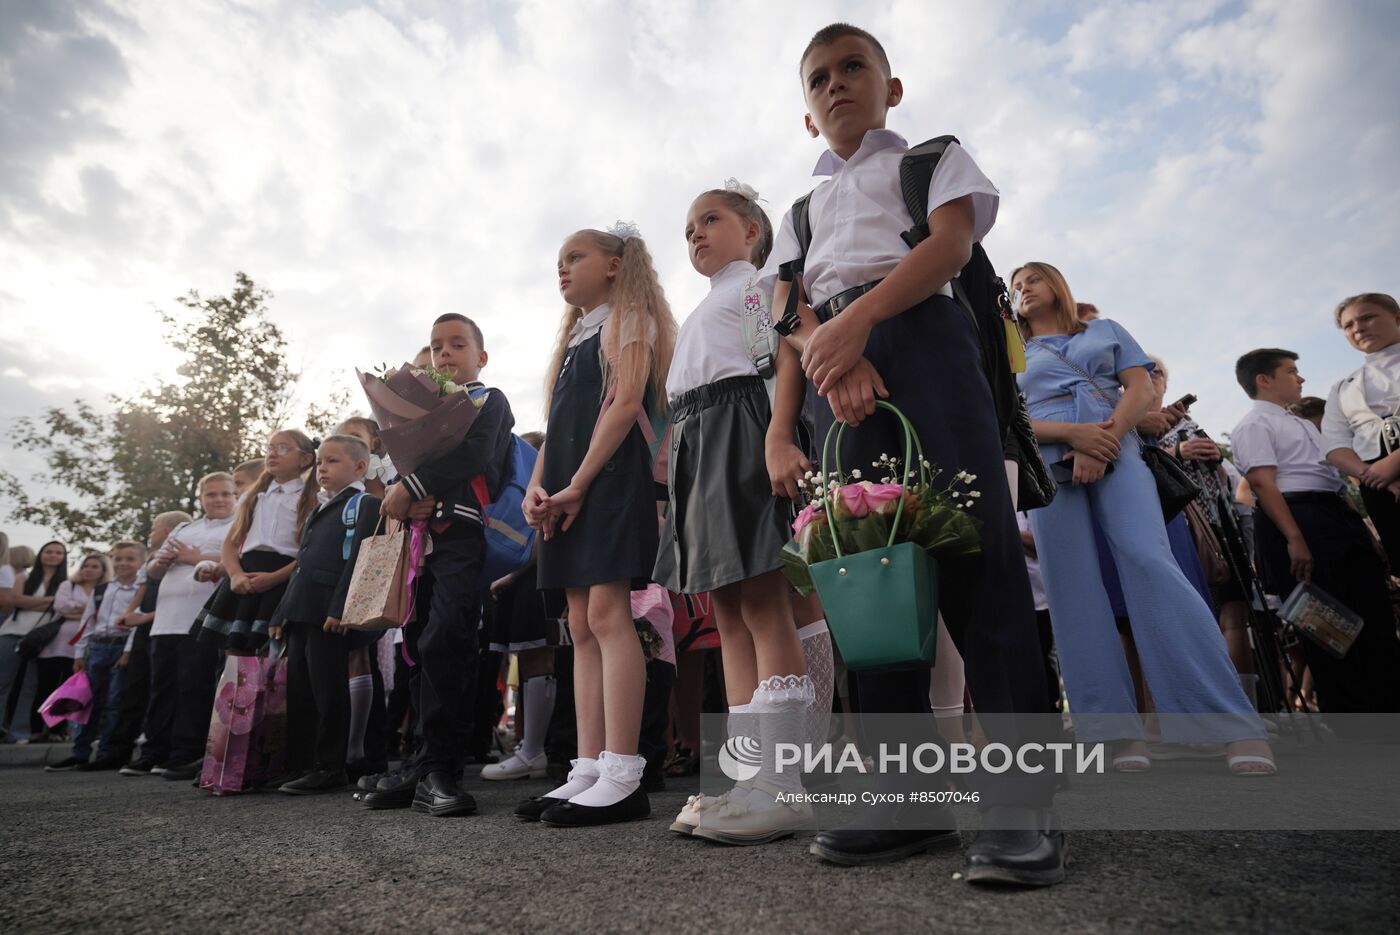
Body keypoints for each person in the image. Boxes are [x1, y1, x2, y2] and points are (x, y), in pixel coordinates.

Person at [763, 23, 1063, 883]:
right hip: (834, 371)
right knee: (869, 581)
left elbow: (949, 246)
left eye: (854, 67)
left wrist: (860, 325)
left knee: (979, 568)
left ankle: (1021, 806)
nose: (836, 85)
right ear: (806, 111)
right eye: (818, 78)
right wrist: (820, 373)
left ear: (891, 87)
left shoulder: (930, 159)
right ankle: (905, 802)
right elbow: (786, 308)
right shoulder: (799, 212)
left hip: (926, 344)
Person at [1012, 261, 1270, 775]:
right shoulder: (1009, 349)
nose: (1023, 289)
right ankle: (1114, 735)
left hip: (1119, 451)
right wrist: (1071, 437)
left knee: (1151, 564)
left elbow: (1141, 389)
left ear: (1058, 286)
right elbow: (1005, 414)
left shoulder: (1105, 331)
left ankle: (1229, 723)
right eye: (1016, 285)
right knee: (1071, 590)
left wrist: (1101, 441)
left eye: (1032, 279)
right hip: (1047, 463)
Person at [651, 181, 817, 845]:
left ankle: (785, 782)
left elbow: (781, 358)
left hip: (741, 430)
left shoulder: (758, 284)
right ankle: (753, 779)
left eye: (711, 219)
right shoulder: (704, 306)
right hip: (697, 443)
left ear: (751, 231)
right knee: (726, 612)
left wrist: (779, 437)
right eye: (689, 224)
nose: (695, 232)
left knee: (762, 599)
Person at [517, 224, 676, 828]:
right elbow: (556, 430)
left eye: (575, 256)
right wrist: (539, 486)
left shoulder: (627, 317)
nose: (562, 267)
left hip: (607, 480)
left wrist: (579, 483)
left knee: (611, 616)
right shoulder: (574, 337)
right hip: (567, 483)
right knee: (579, 623)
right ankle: (585, 767)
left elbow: (628, 402)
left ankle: (623, 773)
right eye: (558, 259)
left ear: (614, 265)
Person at [376, 313, 514, 817]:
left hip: (459, 535)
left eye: (457, 344)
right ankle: (419, 762)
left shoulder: (487, 400)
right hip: (415, 541)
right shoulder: (420, 410)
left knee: (446, 640)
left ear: (481, 357)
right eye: (437, 347)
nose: (445, 354)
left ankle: (444, 767)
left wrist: (414, 486)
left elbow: (477, 456)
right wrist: (398, 490)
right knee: (414, 645)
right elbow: (397, 467)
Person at [1231, 348, 1400, 714]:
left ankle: (1387, 708)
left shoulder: (1304, 423)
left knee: (1374, 616)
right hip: (1298, 519)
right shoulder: (1254, 423)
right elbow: (1262, 484)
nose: (1301, 378)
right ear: (1265, 380)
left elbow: (1333, 479)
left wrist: (1366, 534)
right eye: (1292, 371)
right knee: (1329, 631)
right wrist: (1294, 538)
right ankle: (1353, 726)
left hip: (1335, 515)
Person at [268, 434, 381, 794]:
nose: (322, 469)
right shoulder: (319, 508)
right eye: (319, 463)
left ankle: (331, 765)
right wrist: (280, 612)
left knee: (328, 691)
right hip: (302, 610)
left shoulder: (364, 505)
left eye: (332, 462)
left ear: (360, 467)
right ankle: (301, 764)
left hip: (329, 613)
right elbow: (301, 565)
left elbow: (361, 560)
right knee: (300, 690)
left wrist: (341, 606)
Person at [122, 474, 237, 778]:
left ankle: (185, 753)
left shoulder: (238, 525)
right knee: (161, 689)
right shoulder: (186, 527)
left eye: (226, 494)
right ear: (201, 499)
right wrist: (164, 561)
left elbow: (240, 558)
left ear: (236, 496)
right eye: (212, 494)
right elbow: (153, 570)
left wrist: (195, 557)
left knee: (193, 688)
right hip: (165, 621)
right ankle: (153, 751)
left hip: (201, 620)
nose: (219, 499)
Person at [482, 432, 564, 782]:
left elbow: (538, 532)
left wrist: (512, 571)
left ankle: (534, 750)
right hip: (516, 575)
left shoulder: (545, 469)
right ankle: (530, 748)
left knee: (537, 653)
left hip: (536, 574)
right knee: (522, 655)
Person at [196, 431, 317, 653]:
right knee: (234, 650)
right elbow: (230, 544)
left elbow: (310, 550)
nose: (272, 454)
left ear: (306, 459)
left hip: (284, 578)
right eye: (269, 448)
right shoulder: (251, 497)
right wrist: (235, 575)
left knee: (270, 652)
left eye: (282, 448)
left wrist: (275, 578)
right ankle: (234, 689)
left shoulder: (313, 499)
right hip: (246, 575)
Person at [45, 542, 146, 771]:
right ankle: (79, 752)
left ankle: (106, 753)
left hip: (121, 648)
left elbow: (136, 625)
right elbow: (87, 622)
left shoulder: (141, 590)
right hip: (97, 648)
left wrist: (129, 650)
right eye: (118, 558)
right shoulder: (102, 590)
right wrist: (80, 654)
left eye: (129, 559)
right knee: (88, 702)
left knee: (114, 702)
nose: (123, 563)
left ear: (140, 563)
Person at [1321, 293, 1400, 570]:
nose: (1358, 328)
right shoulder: (1343, 387)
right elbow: (1334, 445)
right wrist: (1376, 477)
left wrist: (1393, 463)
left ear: (1397, 318)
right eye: (1348, 325)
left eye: (1367, 317)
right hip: (1380, 487)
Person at [107, 511, 191, 768]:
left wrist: (144, 617)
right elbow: (143, 589)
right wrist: (130, 614)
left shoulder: (181, 555)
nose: (150, 533)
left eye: (154, 528)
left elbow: (183, 594)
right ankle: (128, 752)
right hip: (148, 631)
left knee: (173, 690)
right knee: (139, 692)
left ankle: (170, 751)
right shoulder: (153, 561)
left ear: (167, 531)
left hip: (171, 625)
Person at [38, 554, 111, 753]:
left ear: (103, 570)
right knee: (49, 686)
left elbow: (99, 615)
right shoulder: (68, 585)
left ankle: (61, 730)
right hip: (57, 644)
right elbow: (60, 607)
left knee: (76, 691)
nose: (88, 569)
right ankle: (41, 729)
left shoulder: (105, 590)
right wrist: (86, 610)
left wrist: (78, 612)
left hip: (85, 647)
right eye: (86, 565)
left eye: (95, 566)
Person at [1, 541, 68, 742]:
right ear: (40, 554)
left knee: (29, 686)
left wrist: (31, 602)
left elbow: (62, 608)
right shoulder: (24, 577)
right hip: (12, 633)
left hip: (42, 638)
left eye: (58, 552)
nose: (53, 555)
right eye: (48, 551)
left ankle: (20, 732)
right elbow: (16, 601)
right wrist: (50, 601)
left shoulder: (65, 583)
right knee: (4, 682)